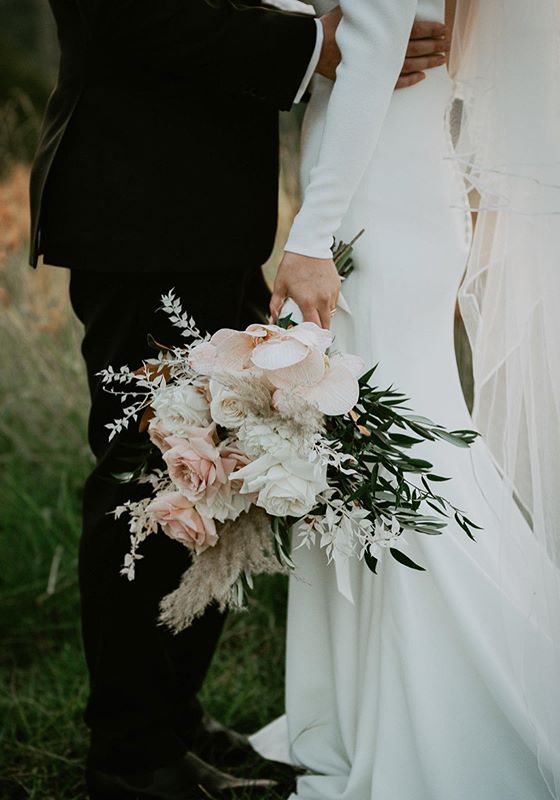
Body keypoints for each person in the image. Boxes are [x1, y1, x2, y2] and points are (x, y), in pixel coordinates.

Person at [27, 2, 448, 799]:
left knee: (210, 470)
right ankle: (132, 757)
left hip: (197, 213)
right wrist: (313, 44)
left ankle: (167, 717)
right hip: (143, 210)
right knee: (155, 479)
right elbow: (128, 18)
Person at [253, 0, 560, 798]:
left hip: (373, 205)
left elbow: (377, 51)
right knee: (371, 461)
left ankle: (462, 709)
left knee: (400, 464)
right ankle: (362, 710)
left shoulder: (336, 224)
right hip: (389, 186)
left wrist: (311, 239)